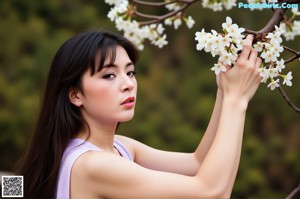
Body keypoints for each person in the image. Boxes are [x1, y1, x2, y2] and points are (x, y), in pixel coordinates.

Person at [17, 29, 262, 199]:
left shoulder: (117, 147)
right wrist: (235, 100)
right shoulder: (94, 165)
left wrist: (223, 92)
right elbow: (211, 192)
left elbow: (198, 164)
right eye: (109, 75)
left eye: (130, 72)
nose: (128, 84)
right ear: (75, 95)